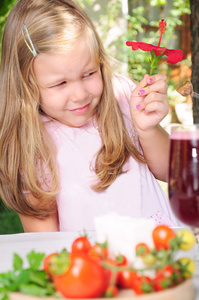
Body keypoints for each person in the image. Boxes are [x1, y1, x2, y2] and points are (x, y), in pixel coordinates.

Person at [0, 0, 179, 232]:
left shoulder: (122, 98)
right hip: (91, 266)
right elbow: (46, 245)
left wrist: (148, 130)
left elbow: (172, 173)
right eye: (60, 83)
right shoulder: (31, 146)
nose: (80, 94)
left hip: (160, 256)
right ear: (26, 84)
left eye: (89, 73)